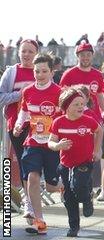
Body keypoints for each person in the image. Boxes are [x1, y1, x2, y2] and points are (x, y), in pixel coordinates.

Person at [13, 53, 63, 234]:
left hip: (51, 145)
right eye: (36, 71)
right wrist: (19, 125)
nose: (39, 75)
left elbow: (66, 117)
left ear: (51, 72)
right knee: (32, 178)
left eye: (44, 71)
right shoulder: (28, 91)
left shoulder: (59, 92)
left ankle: (61, 187)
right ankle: (39, 220)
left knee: (51, 186)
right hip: (33, 142)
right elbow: (24, 113)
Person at [48, 85, 104, 237]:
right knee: (69, 197)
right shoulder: (58, 122)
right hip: (65, 164)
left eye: (82, 103)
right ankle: (74, 226)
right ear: (66, 107)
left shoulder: (88, 120)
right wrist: (58, 145)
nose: (81, 107)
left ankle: (87, 199)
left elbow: (99, 130)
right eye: (76, 104)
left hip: (84, 162)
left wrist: (97, 149)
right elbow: (50, 142)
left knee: (78, 186)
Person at [0, 39, 39, 217]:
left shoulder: (41, 70)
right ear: (18, 52)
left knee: (36, 165)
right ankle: (29, 203)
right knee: (26, 163)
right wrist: (20, 95)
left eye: (30, 51)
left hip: (39, 126)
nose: (27, 55)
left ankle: (34, 200)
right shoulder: (11, 72)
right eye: (24, 51)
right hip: (16, 125)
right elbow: (1, 98)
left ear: (36, 54)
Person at [59, 41, 104, 126]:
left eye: (88, 55)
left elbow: (99, 95)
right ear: (77, 56)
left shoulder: (98, 75)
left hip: (94, 118)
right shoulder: (69, 74)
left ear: (92, 55)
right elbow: (62, 96)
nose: (85, 57)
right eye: (82, 55)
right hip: (74, 118)